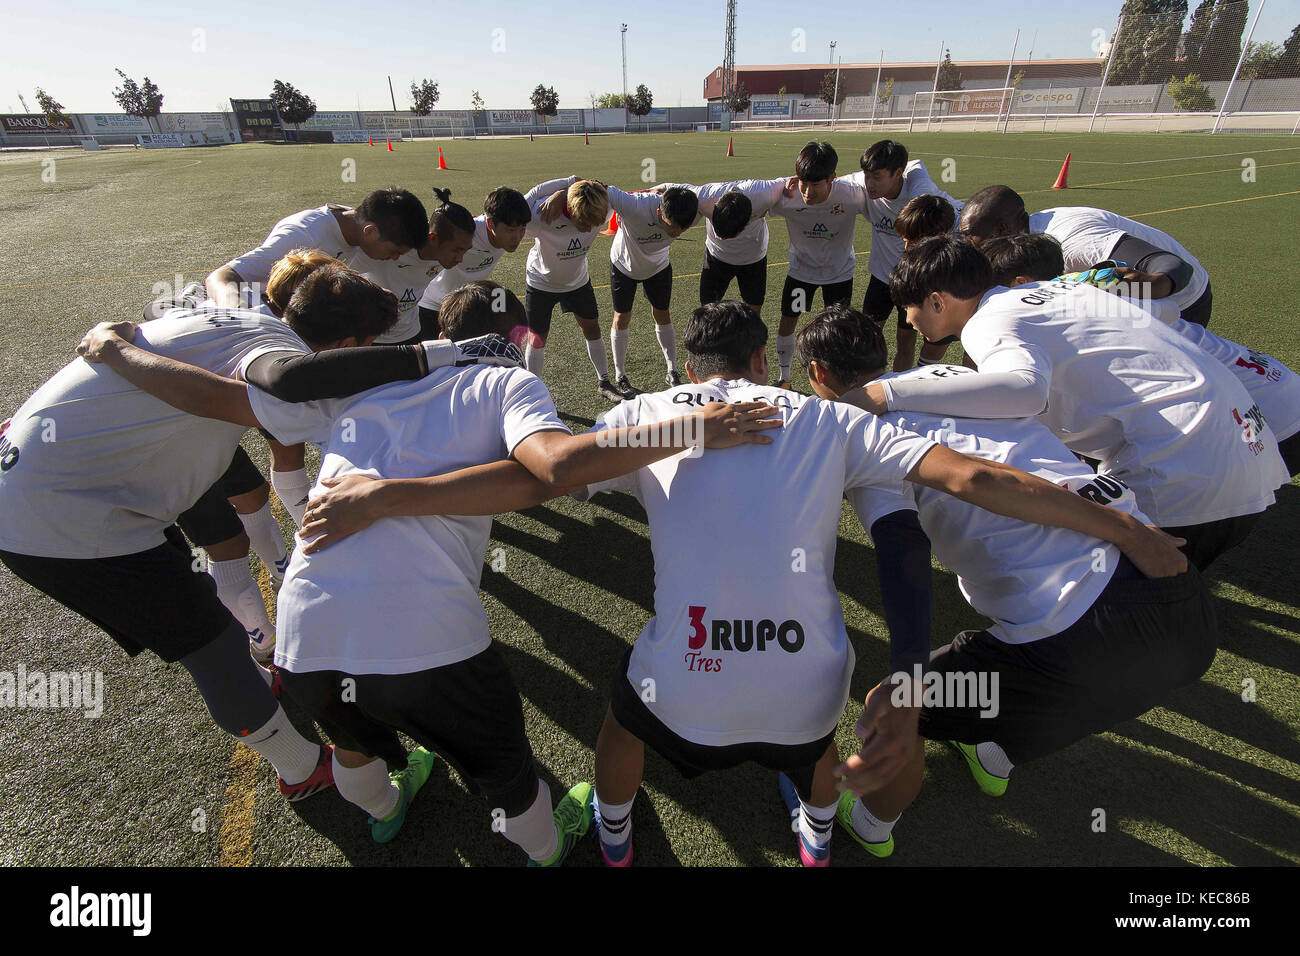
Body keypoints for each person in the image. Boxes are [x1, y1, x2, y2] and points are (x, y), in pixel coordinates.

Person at [795, 307, 1213, 851]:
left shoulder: (867, 435)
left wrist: (909, 683)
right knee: (1013, 672)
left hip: (1082, 637)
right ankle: (992, 750)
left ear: (819, 374)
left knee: (890, 708)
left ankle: (873, 823)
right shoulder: (959, 379)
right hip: (1179, 602)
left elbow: (909, 553)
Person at [848, 235, 1289, 570]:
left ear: (937, 300)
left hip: (1181, 470)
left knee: (1114, 599)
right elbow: (1162, 314)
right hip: (1246, 448)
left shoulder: (989, 321)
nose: (907, 320)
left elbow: (1024, 389)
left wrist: (888, 392)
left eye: (909, 308)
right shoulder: (1062, 290)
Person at [958, 185, 1214, 326]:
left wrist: (1149, 286)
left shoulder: (1073, 241)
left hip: (1184, 301)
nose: (968, 243)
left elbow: (1173, 265)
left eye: (971, 235)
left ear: (1001, 229)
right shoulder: (1027, 237)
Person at [840, 140, 963, 370]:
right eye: (867, 176)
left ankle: (906, 387)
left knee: (906, 341)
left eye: (877, 177)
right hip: (882, 278)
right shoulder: (863, 185)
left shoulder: (920, 198)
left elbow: (960, 219)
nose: (869, 184)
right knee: (865, 337)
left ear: (898, 173)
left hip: (914, 281)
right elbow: (827, 183)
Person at [204, 187, 428, 309]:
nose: (396, 258)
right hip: (260, 321)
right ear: (370, 232)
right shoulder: (304, 235)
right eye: (395, 250)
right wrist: (238, 310)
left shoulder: (357, 227)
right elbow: (221, 276)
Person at [768, 142, 869, 387]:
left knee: (836, 329)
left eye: (816, 184)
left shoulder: (852, 195)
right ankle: (785, 377)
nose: (808, 191)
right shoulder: (788, 197)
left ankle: (836, 379)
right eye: (804, 181)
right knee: (790, 318)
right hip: (802, 274)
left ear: (832, 178)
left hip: (838, 275)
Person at [520, 176, 620, 401]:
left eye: (595, 224)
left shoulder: (602, 206)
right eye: (583, 223)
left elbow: (595, 182)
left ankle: (604, 382)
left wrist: (566, 189)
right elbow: (520, 207)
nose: (588, 230)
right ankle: (530, 393)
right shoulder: (541, 215)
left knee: (592, 328)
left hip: (577, 281)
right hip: (541, 283)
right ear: (571, 210)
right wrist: (558, 192)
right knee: (537, 338)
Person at [602, 183, 700, 395]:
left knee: (662, 314)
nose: (676, 233)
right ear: (659, 212)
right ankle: (620, 375)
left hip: (658, 266)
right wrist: (558, 195)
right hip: (624, 264)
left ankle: (672, 370)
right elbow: (600, 187)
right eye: (672, 226)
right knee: (622, 316)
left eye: (682, 229)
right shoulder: (635, 206)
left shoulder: (692, 207)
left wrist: (659, 187)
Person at [353, 187, 478, 345]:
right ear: (432, 238)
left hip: (411, 333)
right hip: (374, 337)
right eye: (456, 250)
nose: (460, 259)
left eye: (465, 251)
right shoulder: (394, 248)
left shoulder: (443, 250)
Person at [416, 186, 532, 333]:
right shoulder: (469, 231)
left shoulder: (512, 217)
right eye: (511, 230)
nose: (517, 237)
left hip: (463, 308)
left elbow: (536, 193)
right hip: (432, 306)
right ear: (491, 225)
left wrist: (563, 190)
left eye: (522, 229)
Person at [691, 177, 789, 337]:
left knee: (753, 312)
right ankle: (710, 350)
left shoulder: (764, 193)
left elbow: (798, 179)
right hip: (716, 257)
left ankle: (753, 350)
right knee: (707, 310)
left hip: (753, 258)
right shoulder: (703, 196)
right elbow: (666, 189)